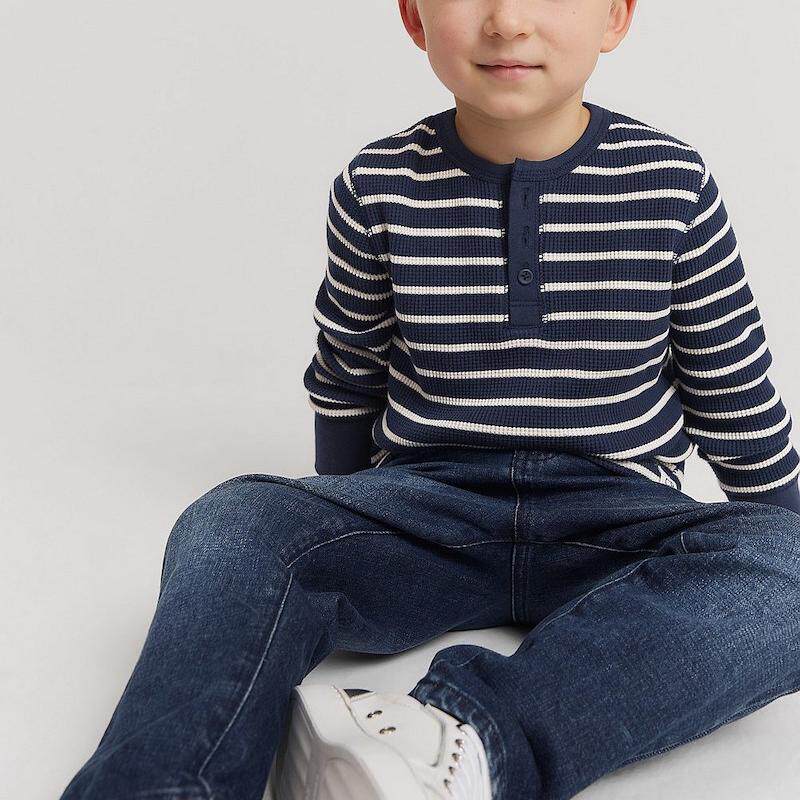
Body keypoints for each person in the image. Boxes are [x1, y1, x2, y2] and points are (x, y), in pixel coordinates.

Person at [59, 1, 800, 799]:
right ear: (415, 18)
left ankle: (463, 740)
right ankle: (164, 786)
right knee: (233, 522)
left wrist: (781, 533)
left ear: (615, 17)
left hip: (613, 519)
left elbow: (731, 384)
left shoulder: (673, 182)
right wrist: (333, 514)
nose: (507, 21)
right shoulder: (377, 183)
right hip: (429, 512)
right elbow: (348, 367)